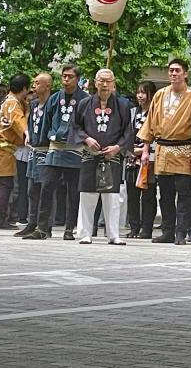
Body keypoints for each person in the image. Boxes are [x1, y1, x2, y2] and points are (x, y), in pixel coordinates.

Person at [139, 59, 191, 245]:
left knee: (185, 194)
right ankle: (168, 230)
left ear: (185, 74)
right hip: (162, 149)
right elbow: (150, 123)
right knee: (165, 194)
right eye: (171, 70)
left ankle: (181, 232)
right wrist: (146, 149)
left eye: (177, 70)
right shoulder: (160, 95)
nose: (173, 74)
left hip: (184, 149)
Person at [68, 69, 134, 245]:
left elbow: (128, 130)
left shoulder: (123, 105)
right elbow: (75, 127)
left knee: (112, 197)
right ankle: (85, 233)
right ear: (95, 83)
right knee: (87, 194)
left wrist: (117, 147)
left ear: (114, 83)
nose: (105, 85)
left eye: (108, 81)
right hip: (91, 154)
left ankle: (113, 234)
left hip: (111, 156)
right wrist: (87, 139)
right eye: (101, 81)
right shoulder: (84, 104)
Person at [26, 64, 88, 241]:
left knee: (72, 192)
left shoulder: (85, 99)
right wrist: (43, 144)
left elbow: (86, 125)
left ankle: (69, 228)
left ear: (77, 79)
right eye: (64, 76)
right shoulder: (54, 99)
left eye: (70, 76)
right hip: (54, 148)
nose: (66, 80)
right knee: (46, 187)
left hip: (75, 149)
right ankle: (43, 227)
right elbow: (46, 121)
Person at [0, 73, 30, 229]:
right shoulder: (13, 103)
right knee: (5, 184)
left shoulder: (8, 101)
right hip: (3, 148)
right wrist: (27, 133)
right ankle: (0, 217)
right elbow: (18, 120)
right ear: (24, 89)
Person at [15, 73, 53, 238]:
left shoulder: (53, 104)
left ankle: (45, 225)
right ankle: (32, 222)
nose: (34, 87)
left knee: (46, 188)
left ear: (47, 86)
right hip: (34, 149)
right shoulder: (35, 104)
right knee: (32, 189)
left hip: (47, 149)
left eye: (37, 83)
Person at [125, 81, 157, 239]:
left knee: (148, 195)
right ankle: (133, 227)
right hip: (131, 158)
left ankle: (146, 228)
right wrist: (129, 149)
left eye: (144, 92)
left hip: (149, 158)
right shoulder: (132, 112)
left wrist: (142, 150)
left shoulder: (156, 112)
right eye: (138, 92)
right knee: (132, 195)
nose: (140, 96)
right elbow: (126, 133)